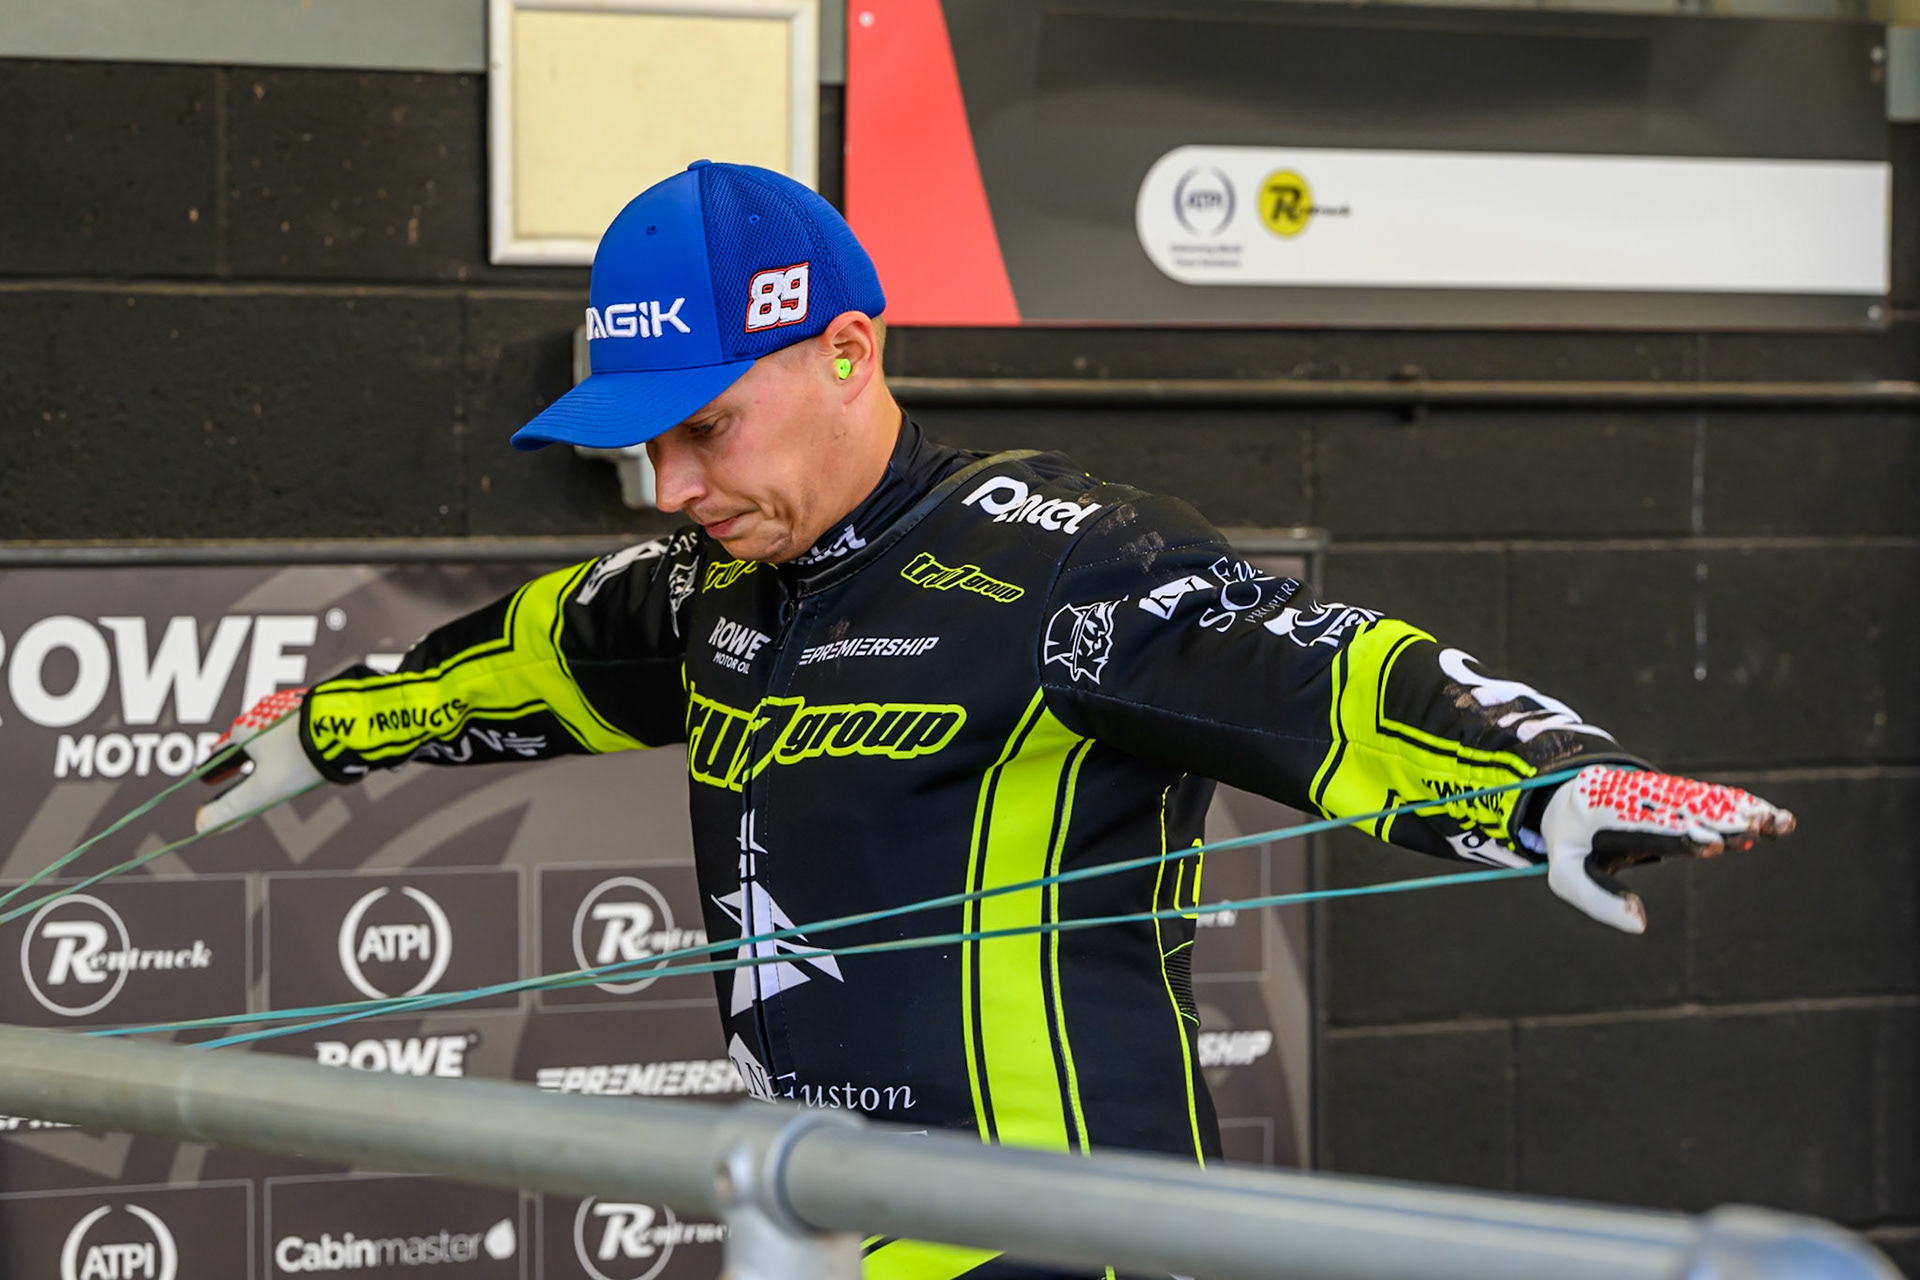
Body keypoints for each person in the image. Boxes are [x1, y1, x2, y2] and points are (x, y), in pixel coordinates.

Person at [199, 161, 1793, 1278]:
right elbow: (538, 656)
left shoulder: (1064, 559)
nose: (676, 489)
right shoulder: (710, 581)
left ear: (848, 353)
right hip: (819, 1223)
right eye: (645, 454)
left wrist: (1552, 781)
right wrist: (332, 725)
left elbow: (1315, 669)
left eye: (705, 431)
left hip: (1060, 1239)